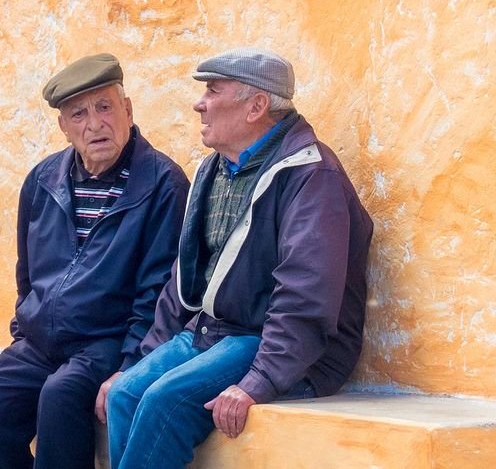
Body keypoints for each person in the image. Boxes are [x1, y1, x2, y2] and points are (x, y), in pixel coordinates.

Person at [100, 47, 374, 469]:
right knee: (124, 394)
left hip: (278, 346)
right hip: (213, 332)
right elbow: (184, 279)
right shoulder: (215, 169)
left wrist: (259, 381)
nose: (200, 104)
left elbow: (306, 294)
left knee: (163, 402)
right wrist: (140, 361)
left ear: (256, 106)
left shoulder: (311, 175)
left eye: (213, 90)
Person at [0, 54, 190, 469]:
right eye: (79, 114)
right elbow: (27, 272)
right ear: (64, 126)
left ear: (128, 110)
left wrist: (132, 364)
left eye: (105, 107)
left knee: (61, 395)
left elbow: (159, 288)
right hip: (40, 343)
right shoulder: (43, 179)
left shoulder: (161, 183)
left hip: (108, 342)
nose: (95, 124)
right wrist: (24, 330)